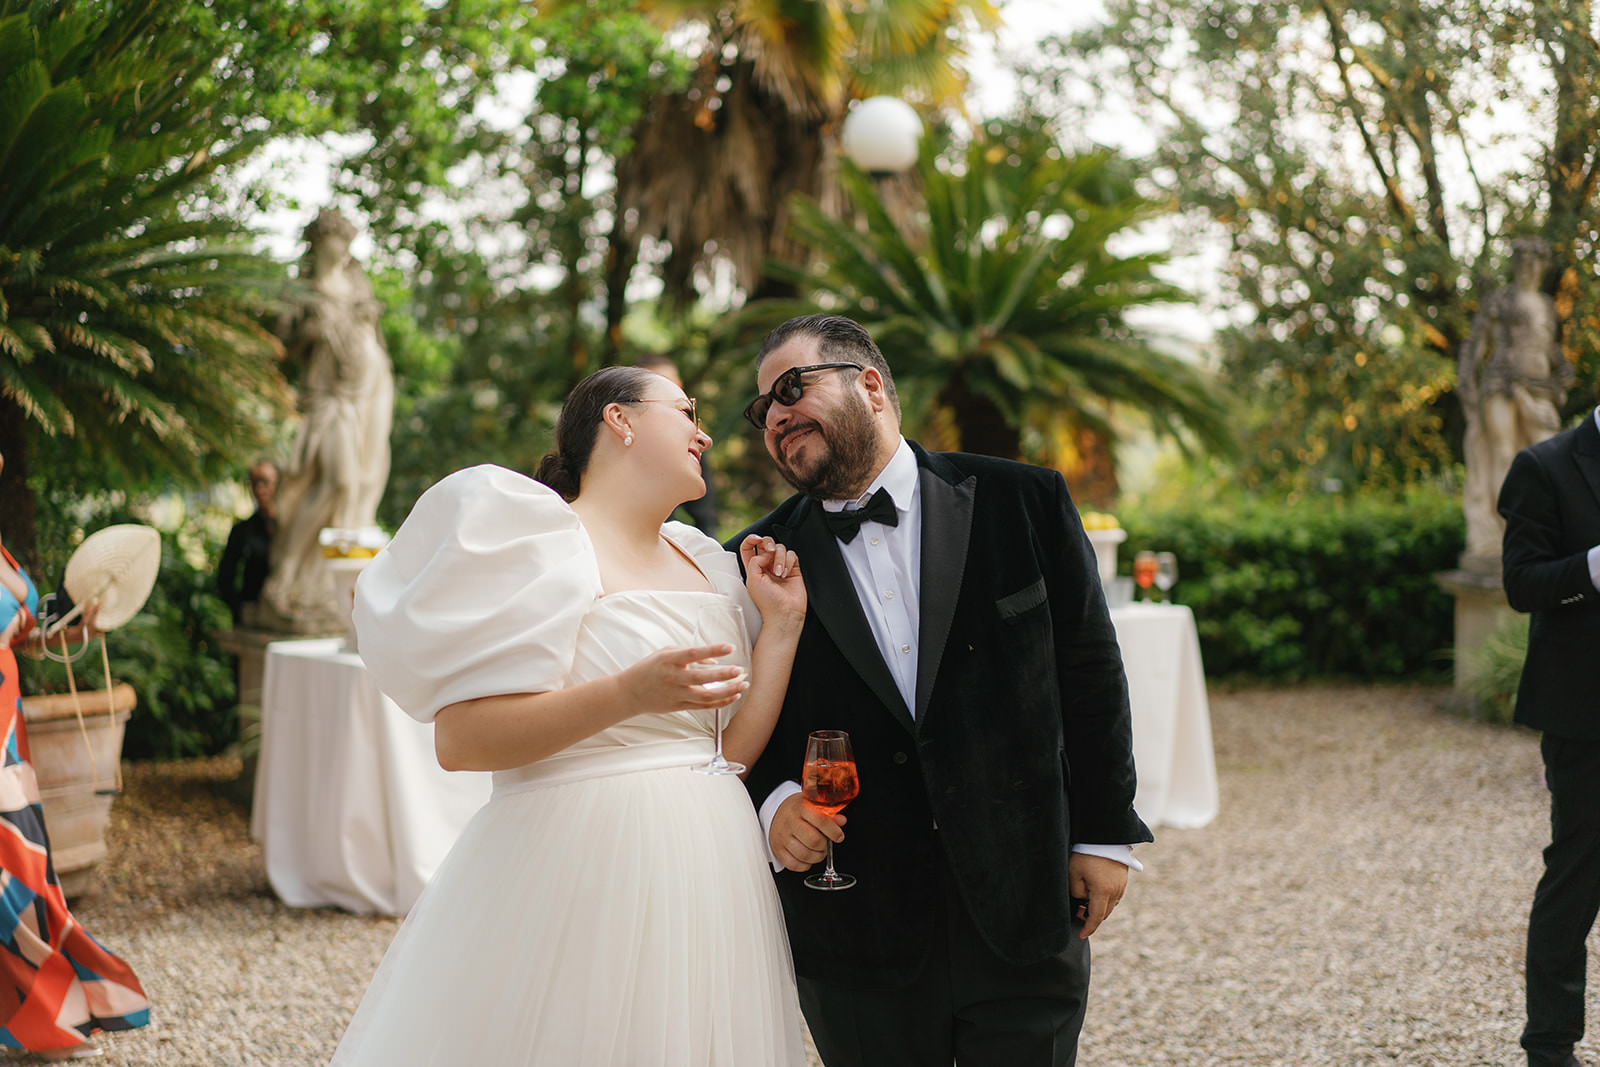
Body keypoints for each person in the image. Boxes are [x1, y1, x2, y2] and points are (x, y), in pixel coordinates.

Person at [331, 366, 809, 1065]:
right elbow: (461, 741)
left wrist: (783, 625)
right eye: (685, 412)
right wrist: (629, 694)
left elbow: (728, 754)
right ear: (621, 420)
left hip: (713, 869)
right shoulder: (541, 541)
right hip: (579, 869)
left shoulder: (708, 562)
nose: (704, 434)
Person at [732, 314, 1151, 1067]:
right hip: (856, 929)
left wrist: (1101, 834)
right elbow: (721, 721)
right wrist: (771, 805)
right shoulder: (754, 561)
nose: (776, 417)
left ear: (870, 385)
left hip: (1023, 905)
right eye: (763, 409)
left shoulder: (1026, 500)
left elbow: (1091, 673)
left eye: (791, 388)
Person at [0, 453, 150, 1061]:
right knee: (12, 872)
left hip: (7, 733)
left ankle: (43, 1012)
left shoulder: (2, 551)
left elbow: (21, 634)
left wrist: (72, 626)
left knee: (25, 870)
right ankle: (47, 1015)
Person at [1499, 405, 1600, 1067]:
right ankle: (1550, 1045)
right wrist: (1591, 567)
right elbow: (1520, 583)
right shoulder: (1544, 466)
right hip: (1586, 711)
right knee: (1577, 873)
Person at [263, 208, 395, 626]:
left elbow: (374, 339)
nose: (344, 248)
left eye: (348, 240)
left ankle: (319, 586)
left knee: (354, 490)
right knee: (340, 483)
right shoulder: (300, 289)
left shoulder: (356, 280)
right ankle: (285, 576)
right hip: (327, 398)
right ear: (320, 241)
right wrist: (308, 335)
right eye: (338, 239)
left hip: (364, 395)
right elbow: (278, 346)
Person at [1459, 237, 1573, 568]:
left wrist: (1562, 368)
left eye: (1533, 261)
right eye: (1521, 260)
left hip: (1540, 388)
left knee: (1548, 456)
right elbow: (1475, 342)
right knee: (1504, 453)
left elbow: (1547, 345)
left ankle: (1538, 531)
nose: (1527, 267)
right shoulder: (1500, 300)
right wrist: (1466, 382)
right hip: (1502, 382)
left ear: (1543, 266)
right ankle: (1506, 532)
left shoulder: (1546, 305)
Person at [637, 352, 719, 533]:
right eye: (653, 385)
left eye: (669, 382)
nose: (705, 441)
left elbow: (705, 515)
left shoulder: (693, 442)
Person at [216, 459, 278, 625]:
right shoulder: (242, 530)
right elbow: (225, 578)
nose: (259, 489)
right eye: (254, 483)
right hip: (253, 616)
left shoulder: (292, 530)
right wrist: (240, 609)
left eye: (265, 482)